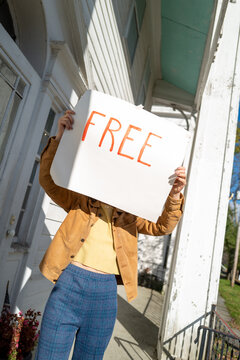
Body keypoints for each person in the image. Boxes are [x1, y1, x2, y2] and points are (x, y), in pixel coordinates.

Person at [35, 110, 186, 360]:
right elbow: (48, 180)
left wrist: (175, 195)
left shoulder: (134, 212)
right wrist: (60, 138)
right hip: (68, 283)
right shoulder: (80, 198)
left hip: (104, 295)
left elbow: (162, 227)